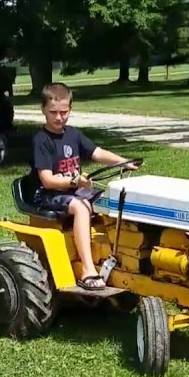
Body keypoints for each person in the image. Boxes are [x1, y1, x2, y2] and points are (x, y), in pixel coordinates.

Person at [30, 82, 140, 290]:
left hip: (74, 190)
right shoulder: (41, 140)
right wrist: (74, 181)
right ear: (43, 109)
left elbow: (97, 153)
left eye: (64, 112)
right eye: (53, 112)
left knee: (111, 200)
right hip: (47, 194)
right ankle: (88, 270)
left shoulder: (73, 134)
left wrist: (123, 162)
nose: (59, 117)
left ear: (70, 109)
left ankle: (120, 256)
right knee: (81, 206)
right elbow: (47, 180)